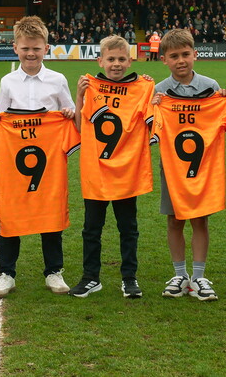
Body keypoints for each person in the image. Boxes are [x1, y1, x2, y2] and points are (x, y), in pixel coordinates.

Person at [0, 16, 76, 299]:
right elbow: (4, 115)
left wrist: (68, 115)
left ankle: (54, 271)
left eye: (36, 49)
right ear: (15, 47)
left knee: (49, 211)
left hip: (48, 161)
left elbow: (69, 111)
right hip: (16, 161)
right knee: (11, 212)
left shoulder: (58, 80)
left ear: (46, 48)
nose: (30, 54)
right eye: (25, 48)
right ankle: (6, 273)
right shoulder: (8, 81)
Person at [152, 29, 226, 301]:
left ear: (195, 55)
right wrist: (151, 107)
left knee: (200, 219)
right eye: (174, 56)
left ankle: (198, 276)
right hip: (172, 169)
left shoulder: (210, 87)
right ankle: (179, 274)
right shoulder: (159, 92)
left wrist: (223, 98)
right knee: (174, 219)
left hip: (204, 169)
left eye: (185, 54)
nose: (181, 61)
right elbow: (148, 130)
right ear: (164, 59)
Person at [69, 35, 153, 299]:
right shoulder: (89, 86)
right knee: (91, 228)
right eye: (111, 59)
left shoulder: (142, 87)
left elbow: (152, 125)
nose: (116, 64)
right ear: (100, 60)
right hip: (96, 170)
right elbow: (81, 129)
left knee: (128, 228)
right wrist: (79, 96)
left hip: (126, 171)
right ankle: (90, 277)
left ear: (130, 61)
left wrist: (153, 93)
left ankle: (129, 278)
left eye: (121, 59)